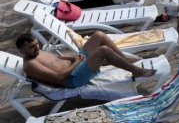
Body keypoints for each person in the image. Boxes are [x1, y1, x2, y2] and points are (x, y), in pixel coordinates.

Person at [16, 32, 155, 89]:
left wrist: (73, 58)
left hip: (76, 65)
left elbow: (57, 59)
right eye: (31, 47)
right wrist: (77, 62)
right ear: (22, 51)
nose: (36, 48)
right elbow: (59, 78)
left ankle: (123, 59)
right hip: (73, 78)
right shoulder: (31, 65)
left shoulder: (37, 53)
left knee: (98, 36)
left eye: (36, 44)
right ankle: (137, 71)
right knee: (103, 50)